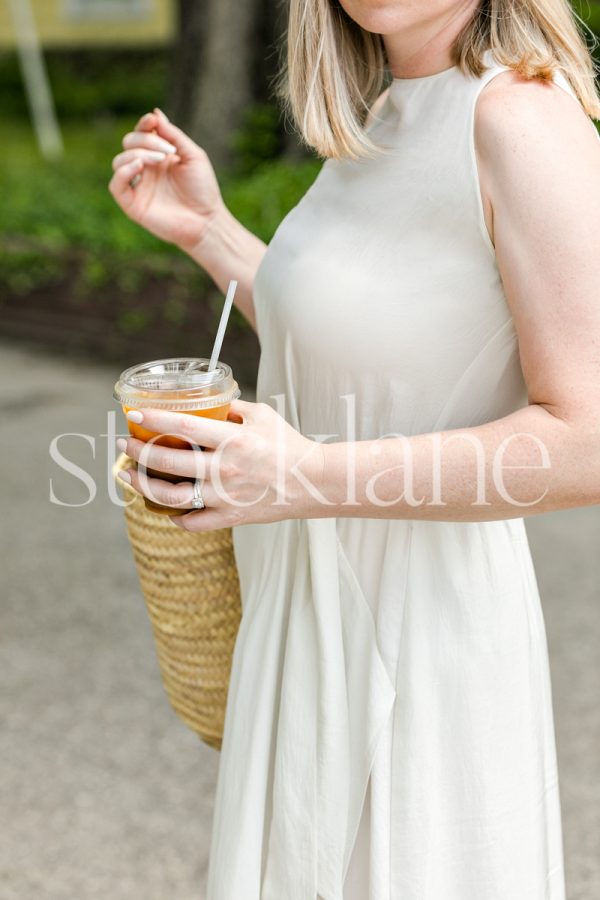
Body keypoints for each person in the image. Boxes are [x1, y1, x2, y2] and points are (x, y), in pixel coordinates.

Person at [109, 1, 600, 897]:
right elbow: (368, 344)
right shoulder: (385, 106)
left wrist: (304, 476)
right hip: (302, 606)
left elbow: (588, 441)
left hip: (417, 637)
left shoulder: (520, 116)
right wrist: (210, 233)